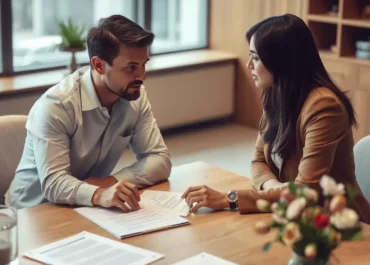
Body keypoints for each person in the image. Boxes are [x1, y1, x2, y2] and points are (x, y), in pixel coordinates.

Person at [182, 14, 370, 223]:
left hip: (336, 223)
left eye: (255, 57)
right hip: (292, 213)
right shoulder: (276, 94)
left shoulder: (324, 107)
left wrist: (229, 198)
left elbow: (305, 192)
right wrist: (280, 191)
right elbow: (258, 161)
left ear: (280, 61)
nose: (248, 66)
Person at [6, 15, 171, 211]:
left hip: (86, 207)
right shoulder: (57, 105)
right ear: (99, 65)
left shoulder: (134, 95)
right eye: (131, 67)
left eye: (144, 64)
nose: (142, 76)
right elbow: (54, 184)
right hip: (31, 213)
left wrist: (111, 181)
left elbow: (160, 159)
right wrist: (99, 194)